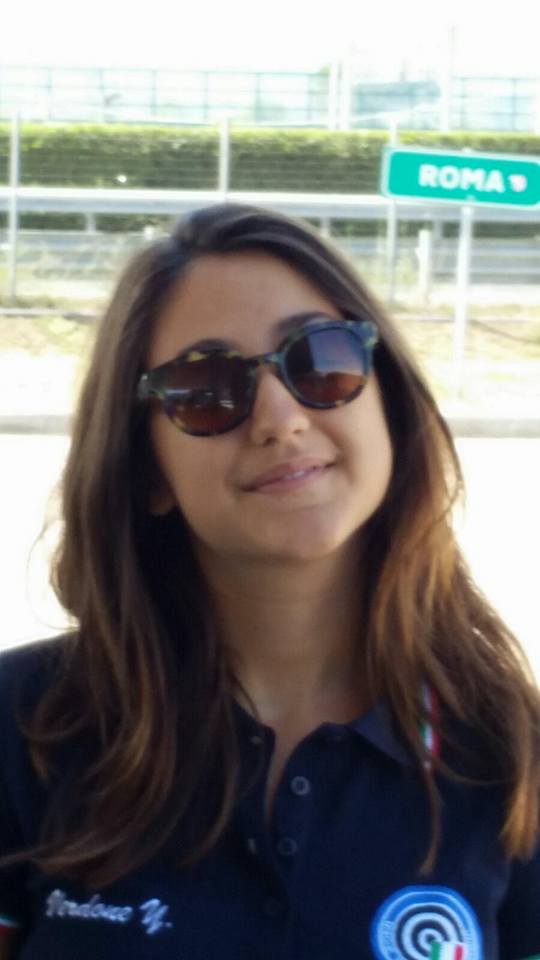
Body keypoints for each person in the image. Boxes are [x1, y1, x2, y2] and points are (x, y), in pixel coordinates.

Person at [0, 203, 539, 960]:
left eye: (321, 358)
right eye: (206, 388)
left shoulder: (510, 748)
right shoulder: (23, 726)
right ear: (148, 468)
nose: (280, 418)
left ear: (388, 400)